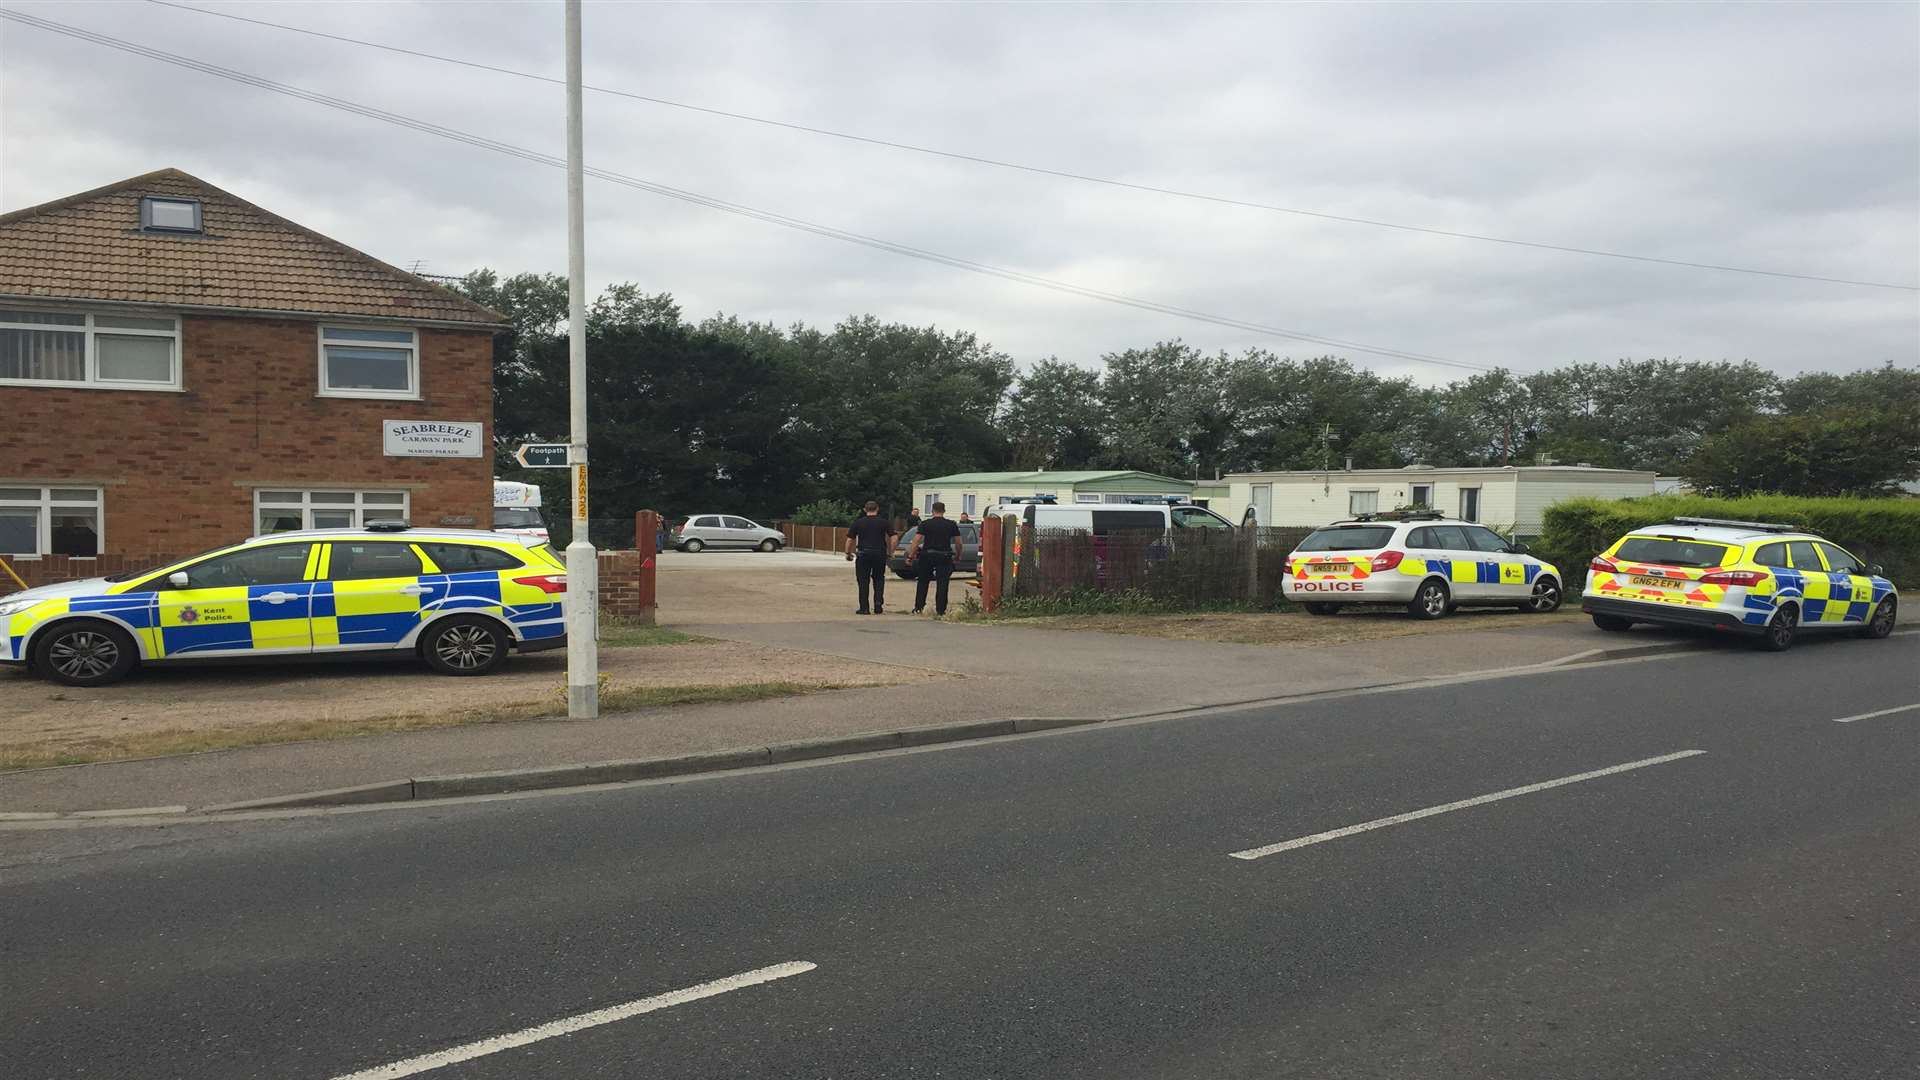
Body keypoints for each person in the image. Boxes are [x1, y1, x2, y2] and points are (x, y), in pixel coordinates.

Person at [908, 501, 963, 616]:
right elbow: (958, 542)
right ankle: (941, 610)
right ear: (944, 511)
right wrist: (958, 555)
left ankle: (919, 607)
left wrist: (911, 555)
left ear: (932, 511)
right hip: (944, 555)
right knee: (943, 583)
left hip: (927, 555)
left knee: (923, 581)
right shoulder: (951, 524)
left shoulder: (925, 524)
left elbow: (916, 540)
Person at [844, 500, 895, 615]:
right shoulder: (884, 522)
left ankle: (864, 607)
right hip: (879, 553)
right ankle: (878, 603)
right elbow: (894, 536)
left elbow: (850, 539)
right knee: (879, 578)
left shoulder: (858, 523)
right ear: (877, 509)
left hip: (863, 554)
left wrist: (848, 553)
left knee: (863, 580)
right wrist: (891, 551)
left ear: (864, 509)